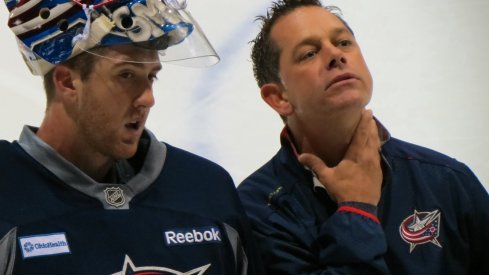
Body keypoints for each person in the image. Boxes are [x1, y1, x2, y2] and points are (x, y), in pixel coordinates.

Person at [0, 0, 263, 274]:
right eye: (126, 75)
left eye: (151, 77)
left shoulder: (206, 190)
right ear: (67, 82)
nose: (148, 99)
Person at [237, 0, 489, 274]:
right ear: (278, 97)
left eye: (344, 43)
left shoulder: (447, 180)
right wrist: (357, 210)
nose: (335, 54)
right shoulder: (256, 211)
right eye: (309, 53)